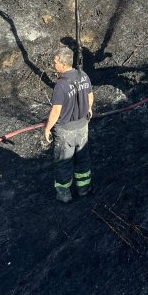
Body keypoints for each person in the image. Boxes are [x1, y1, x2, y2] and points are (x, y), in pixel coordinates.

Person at [44, 47, 94, 203]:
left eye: (55, 62)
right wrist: (89, 109)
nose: (53, 65)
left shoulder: (61, 85)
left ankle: (64, 194)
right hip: (83, 126)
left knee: (63, 162)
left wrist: (47, 128)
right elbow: (90, 96)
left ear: (63, 64)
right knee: (83, 158)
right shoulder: (83, 75)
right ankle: (84, 188)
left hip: (65, 131)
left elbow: (56, 111)